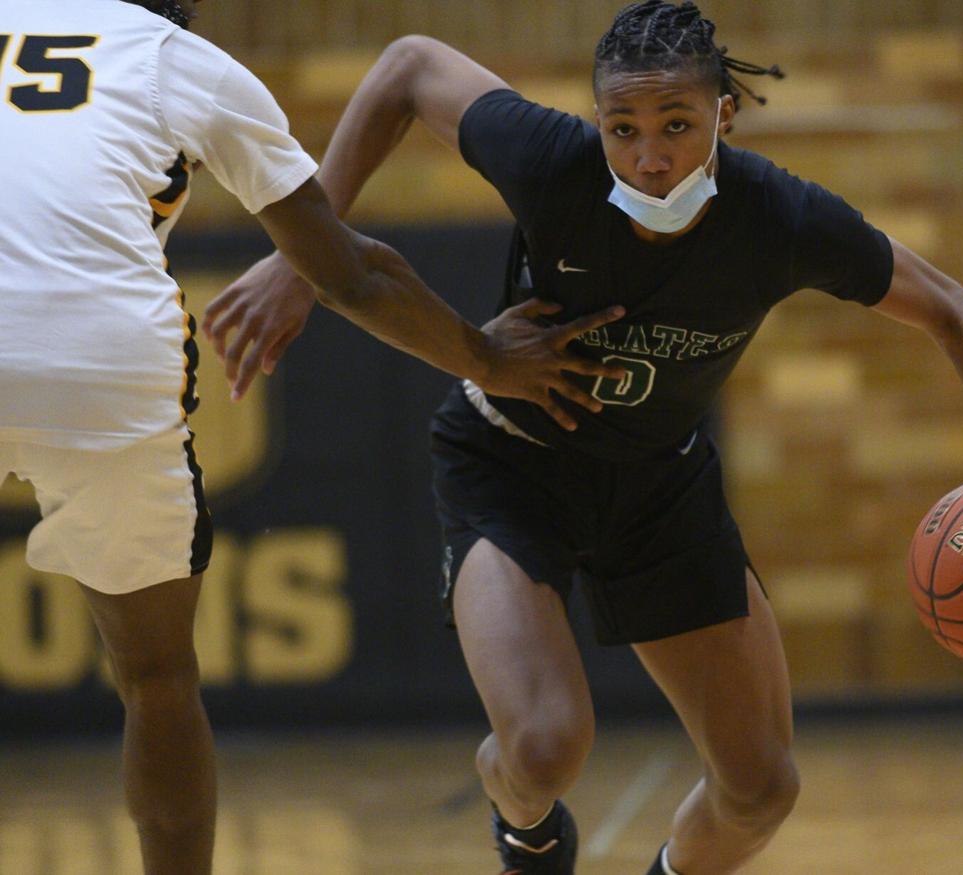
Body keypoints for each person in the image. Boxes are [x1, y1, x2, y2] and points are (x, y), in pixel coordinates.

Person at [208, 2, 963, 873]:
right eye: (622, 128)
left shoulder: (780, 218)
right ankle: (522, 826)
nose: (647, 158)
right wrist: (302, 252)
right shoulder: (551, 161)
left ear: (724, 113)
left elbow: (954, 311)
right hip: (510, 465)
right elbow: (406, 63)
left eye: (676, 124)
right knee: (545, 746)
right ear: (595, 123)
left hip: (659, 486)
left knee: (759, 789)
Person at [0, 1, 624, 873]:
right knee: (154, 678)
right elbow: (352, 275)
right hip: (95, 356)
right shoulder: (173, 56)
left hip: (85, 348)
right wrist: (486, 357)